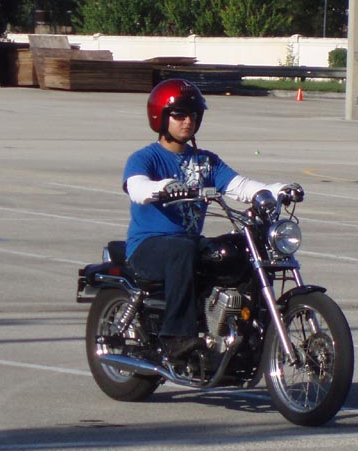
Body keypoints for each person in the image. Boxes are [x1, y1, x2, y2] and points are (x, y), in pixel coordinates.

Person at [122, 78, 296, 362]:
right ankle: (176, 337)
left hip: (189, 243)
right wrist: (162, 187)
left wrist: (275, 190)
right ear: (160, 117)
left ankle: (241, 332)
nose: (187, 121)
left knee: (236, 250)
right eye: (179, 115)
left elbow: (240, 185)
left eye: (193, 115)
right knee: (182, 249)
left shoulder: (206, 161)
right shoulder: (145, 158)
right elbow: (136, 187)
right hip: (148, 246)